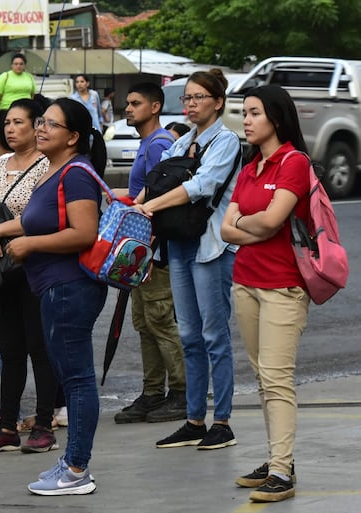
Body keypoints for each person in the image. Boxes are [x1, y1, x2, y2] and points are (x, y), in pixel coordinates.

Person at [5, 98, 108, 495]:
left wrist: (29, 245)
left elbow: (84, 232)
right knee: (72, 376)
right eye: (42, 121)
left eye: (52, 124)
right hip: (55, 287)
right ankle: (70, 462)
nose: (42, 128)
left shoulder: (77, 174)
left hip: (71, 287)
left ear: (74, 137)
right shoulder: (54, 170)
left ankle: (77, 469)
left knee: (78, 381)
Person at [134, 69, 241, 450]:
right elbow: (159, 178)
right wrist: (136, 203)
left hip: (210, 248)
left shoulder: (226, 141)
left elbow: (201, 187)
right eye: (188, 98)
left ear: (218, 102)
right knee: (188, 336)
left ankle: (222, 421)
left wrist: (151, 204)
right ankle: (195, 419)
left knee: (215, 336)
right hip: (177, 245)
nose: (191, 104)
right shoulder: (181, 144)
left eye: (199, 97)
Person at [220, 85, 310, 503]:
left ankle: (281, 471)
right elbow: (225, 229)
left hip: (283, 287)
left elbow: (272, 222)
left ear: (276, 116)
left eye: (254, 112)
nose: (247, 120)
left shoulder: (294, 163)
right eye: (244, 113)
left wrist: (247, 223)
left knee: (277, 379)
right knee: (262, 378)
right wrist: (249, 225)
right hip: (246, 281)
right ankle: (279, 460)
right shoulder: (249, 167)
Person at [0, 98, 58, 455]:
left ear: (36, 126)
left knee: (39, 345)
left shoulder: (46, 166)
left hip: (31, 263)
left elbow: (36, 218)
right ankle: (6, 425)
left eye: (19, 122)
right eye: (7, 122)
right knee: (8, 348)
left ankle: (43, 423)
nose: (10, 128)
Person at [113, 82, 186, 425]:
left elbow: (160, 197)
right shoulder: (148, 144)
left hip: (154, 250)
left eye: (135, 102)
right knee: (144, 322)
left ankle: (182, 393)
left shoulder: (160, 145)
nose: (128, 108)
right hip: (141, 250)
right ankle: (153, 392)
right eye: (127, 103)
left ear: (155, 107)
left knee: (159, 319)